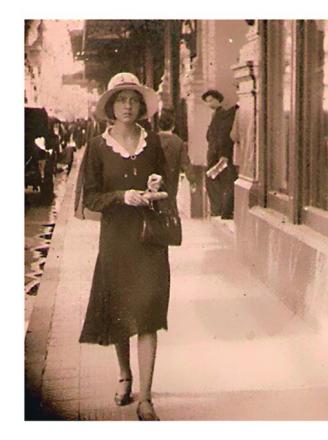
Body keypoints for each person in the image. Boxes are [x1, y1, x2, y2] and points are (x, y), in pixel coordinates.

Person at [77, 72, 170, 421]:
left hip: (149, 241)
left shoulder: (154, 142)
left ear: (141, 105)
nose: (128, 106)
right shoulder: (98, 147)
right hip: (116, 239)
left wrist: (156, 186)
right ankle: (124, 374)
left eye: (133, 99)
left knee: (148, 314)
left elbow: (166, 187)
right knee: (119, 313)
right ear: (111, 107)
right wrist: (121, 196)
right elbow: (91, 198)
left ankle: (145, 397)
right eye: (121, 100)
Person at [201, 89, 238, 219]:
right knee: (220, 182)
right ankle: (220, 210)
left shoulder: (222, 115)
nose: (209, 103)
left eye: (211, 100)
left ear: (218, 99)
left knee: (221, 181)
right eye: (207, 101)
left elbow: (222, 136)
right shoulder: (216, 115)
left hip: (219, 157)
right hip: (216, 156)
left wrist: (221, 154)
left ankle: (221, 210)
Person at [157, 109, 196, 197]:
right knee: (171, 201)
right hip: (171, 178)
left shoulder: (153, 139)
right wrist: (192, 180)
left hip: (154, 178)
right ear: (173, 127)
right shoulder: (178, 141)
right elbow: (185, 163)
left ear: (159, 126)